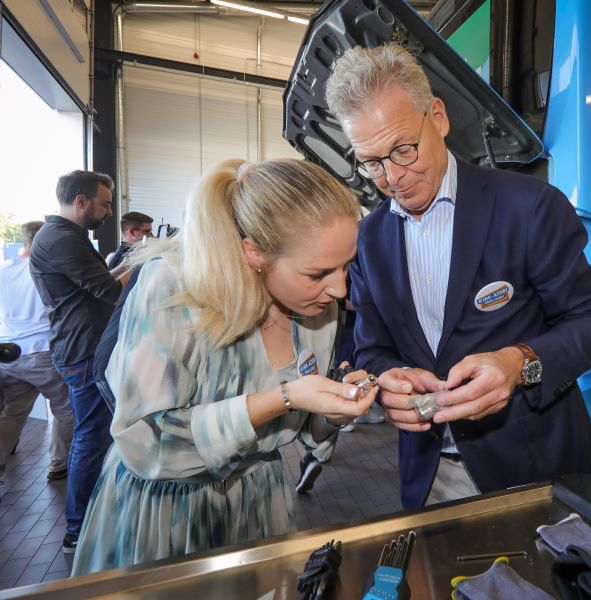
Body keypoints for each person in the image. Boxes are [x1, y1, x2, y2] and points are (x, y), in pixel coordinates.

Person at [326, 44, 591, 509]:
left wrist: (521, 363)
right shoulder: (368, 239)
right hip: (430, 478)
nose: (393, 177)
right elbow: (371, 348)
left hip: (538, 472)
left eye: (403, 149)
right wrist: (388, 383)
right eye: (372, 162)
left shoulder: (530, 207)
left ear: (438, 117)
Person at [71, 158, 377, 575]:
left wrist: (335, 410)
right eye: (318, 272)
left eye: (347, 267)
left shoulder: (319, 309)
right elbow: (145, 442)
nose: (340, 289)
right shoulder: (173, 289)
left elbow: (304, 426)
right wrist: (282, 397)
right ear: (254, 252)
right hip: (169, 519)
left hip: (260, 508)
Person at [30, 170, 122, 553]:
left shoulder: (69, 238)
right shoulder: (59, 241)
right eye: (104, 203)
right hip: (83, 353)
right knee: (90, 437)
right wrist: (150, 265)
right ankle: (78, 529)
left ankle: (91, 519)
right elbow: (109, 291)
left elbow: (100, 282)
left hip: (87, 349)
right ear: (80, 202)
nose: (109, 210)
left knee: (99, 435)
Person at [0, 221, 74, 488]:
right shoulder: (45, 271)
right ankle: (58, 463)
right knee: (66, 409)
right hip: (43, 352)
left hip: (9, 354)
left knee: (13, 412)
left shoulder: (4, 270)